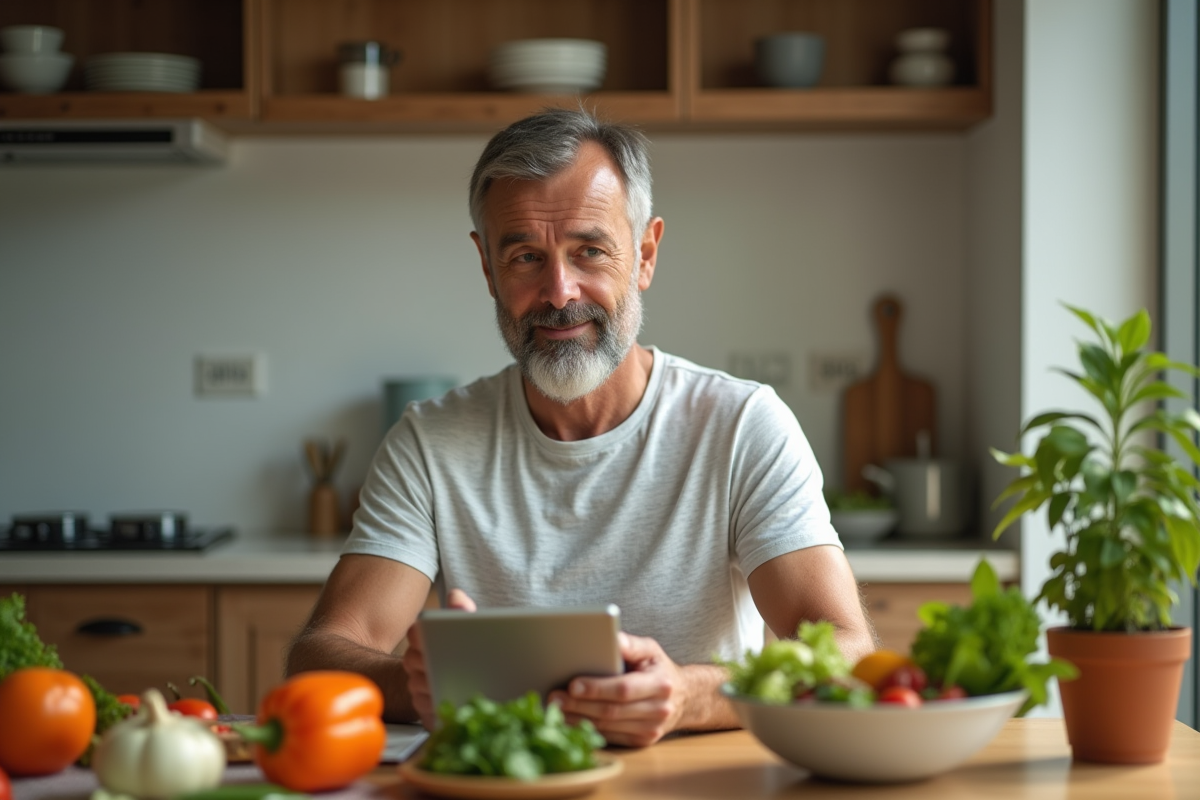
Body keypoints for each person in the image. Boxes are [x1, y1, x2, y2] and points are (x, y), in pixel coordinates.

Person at [286, 107, 875, 747]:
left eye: (589, 251)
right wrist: (415, 684)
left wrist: (689, 695)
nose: (559, 292)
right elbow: (322, 652)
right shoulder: (431, 443)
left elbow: (845, 648)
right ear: (487, 269)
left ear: (645, 255)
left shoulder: (741, 426)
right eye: (525, 258)